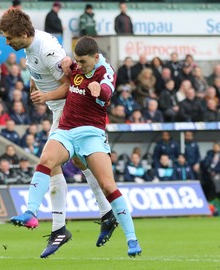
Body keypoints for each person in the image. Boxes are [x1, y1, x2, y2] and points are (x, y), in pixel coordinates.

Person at [0, 10, 119, 258]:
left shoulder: (47, 50)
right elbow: (43, 72)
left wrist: (46, 96)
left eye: (9, 37)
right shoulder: (33, 48)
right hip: (59, 111)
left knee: (49, 162)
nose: (7, 42)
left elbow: (74, 85)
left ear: (22, 34)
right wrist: (35, 82)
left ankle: (56, 226)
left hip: (69, 110)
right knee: (81, 162)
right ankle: (107, 213)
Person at [10, 35, 142, 257]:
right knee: (46, 160)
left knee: (108, 185)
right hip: (66, 131)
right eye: (77, 60)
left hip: (91, 134)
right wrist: (68, 65)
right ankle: (30, 211)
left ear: (96, 57)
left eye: (82, 62)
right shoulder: (76, 67)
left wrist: (100, 90)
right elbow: (68, 71)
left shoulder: (105, 71)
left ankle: (131, 239)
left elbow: (108, 90)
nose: (77, 66)